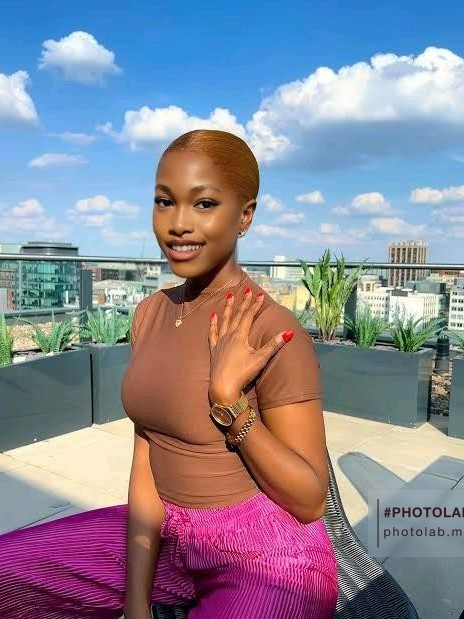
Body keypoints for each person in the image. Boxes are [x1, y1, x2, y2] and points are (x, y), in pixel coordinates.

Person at [0, 129, 338, 619]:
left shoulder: (271, 329)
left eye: (204, 204)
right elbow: (146, 454)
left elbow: (309, 501)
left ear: (245, 215)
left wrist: (230, 402)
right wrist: (137, 600)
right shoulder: (150, 313)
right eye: (164, 202)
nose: (178, 224)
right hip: (168, 537)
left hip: (268, 556)